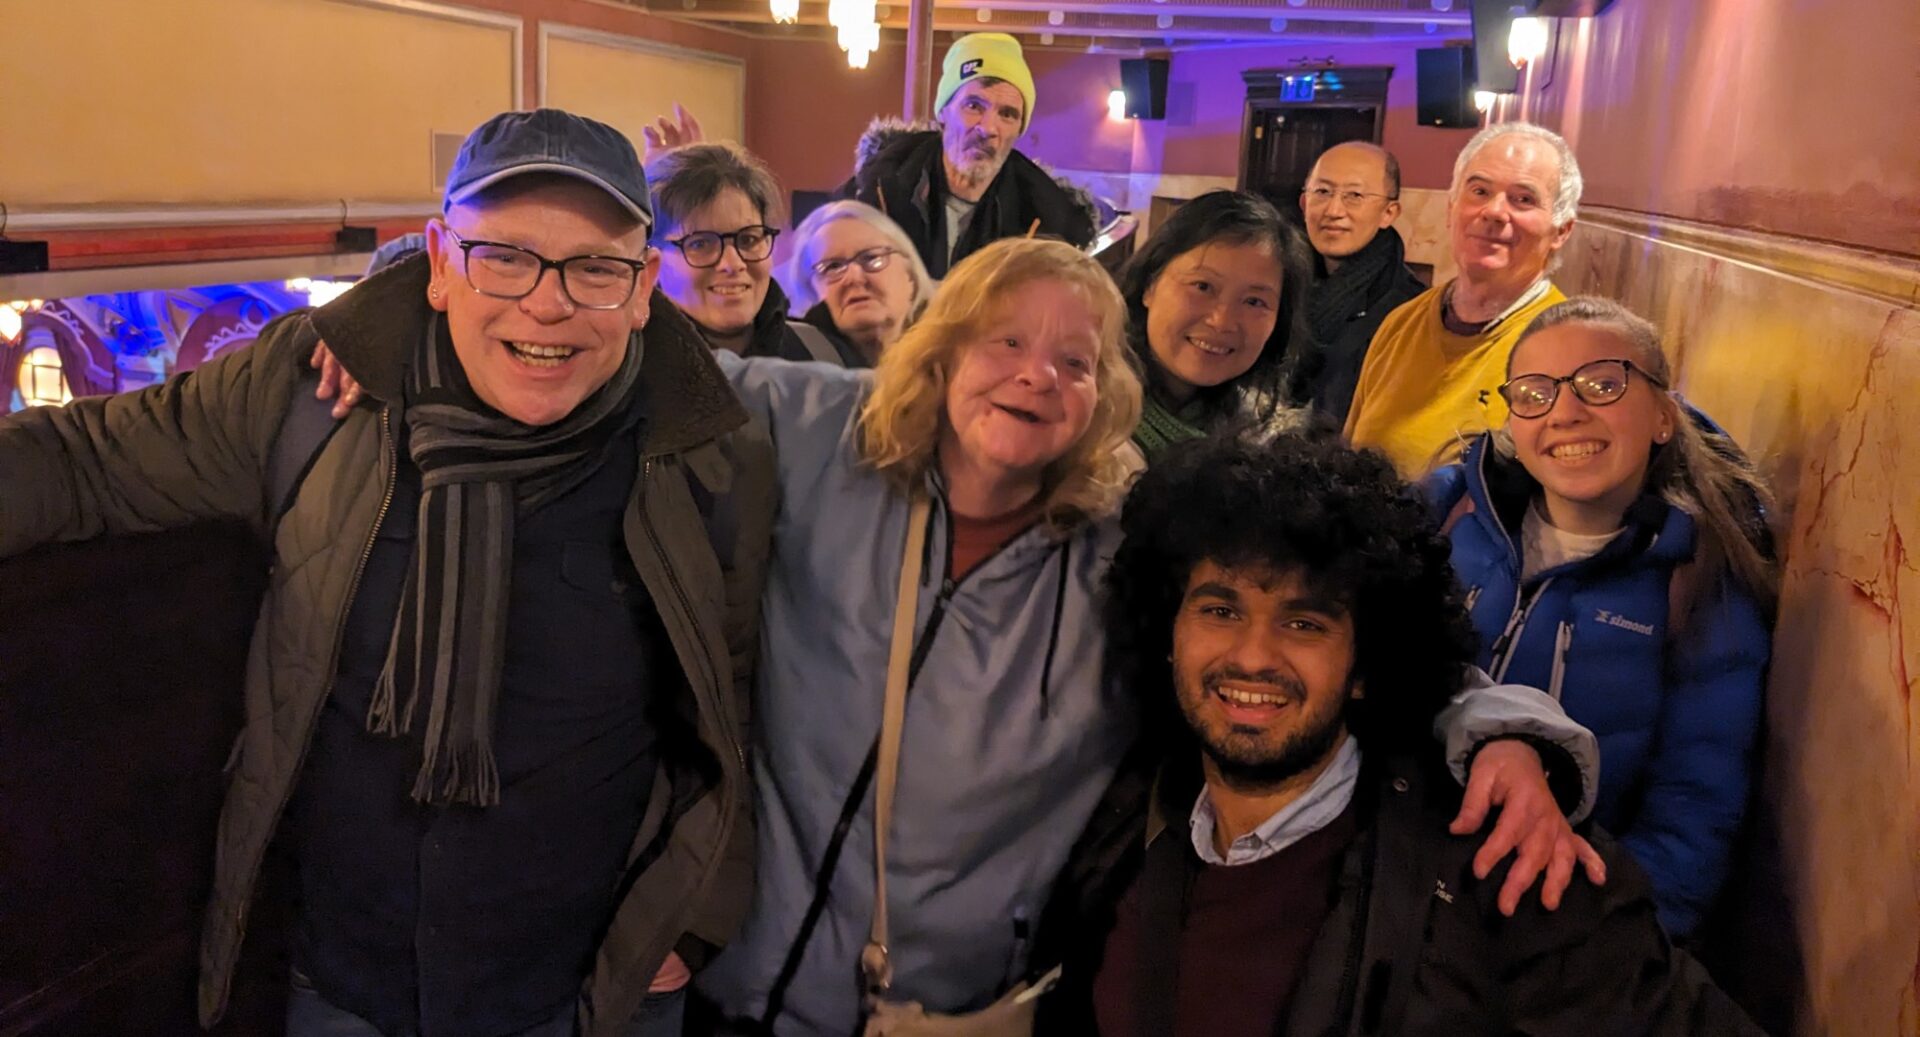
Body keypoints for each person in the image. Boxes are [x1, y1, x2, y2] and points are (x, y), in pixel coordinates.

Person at [687, 237, 1606, 1035]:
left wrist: (1506, 732)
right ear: (940, 352)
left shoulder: (1125, 547)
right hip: (726, 981)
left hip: (948, 1013)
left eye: (1076, 361)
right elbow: (629, 364)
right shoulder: (814, 435)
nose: (1037, 375)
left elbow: (1344, 621)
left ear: (1104, 396)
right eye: (1005, 340)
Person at [0, 108, 771, 1037]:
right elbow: (86, 462)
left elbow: (731, 695)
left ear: (644, 287)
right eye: (507, 257)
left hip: (587, 991)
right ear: (441, 264)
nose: (548, 302)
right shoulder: (311, 392)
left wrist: (693, 916)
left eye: (595, 266)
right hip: (342, 982)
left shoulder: (707, 451)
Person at [1037, 432, 1764, 1035]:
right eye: (1220, 611)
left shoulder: (1506, 869)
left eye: (1303, 622)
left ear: (1366, 662)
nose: (1253, 654)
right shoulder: (1128, 816)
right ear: (1168, 632)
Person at [1425, 296, 1776, 938]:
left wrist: (1600, 936)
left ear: (1663, 416)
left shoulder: (1695, 583)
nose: (1565, 411)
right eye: (1534, 393)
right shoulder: (1446, 513)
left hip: (1553, 920)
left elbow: (1694, 811)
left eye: (1602, 384)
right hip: (1401, 880)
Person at [1344, 121, 1581, 477]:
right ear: (1451, 208)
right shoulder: (1400, 323)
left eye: (1523, 199)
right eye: (1480, 191)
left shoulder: (1568, 350)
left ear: (1561, 230)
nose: (1494, 212)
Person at [835, 32, 1097, 277]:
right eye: (973, 105)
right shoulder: (876, 188)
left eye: (1007, 114)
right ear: (943, 113)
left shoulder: (1047, 225)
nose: (987, 128)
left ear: (1019, 130)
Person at [1117, 190, 1318, 463]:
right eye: (1202, 286)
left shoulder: (1267, 446)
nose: (1222, 321)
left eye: (1254, 301)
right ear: (1149, 285)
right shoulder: (1081, 420)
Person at [645, 140, 816, 360]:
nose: (733, 264)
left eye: (748, 239)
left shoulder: (821, 354)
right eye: (700, 244)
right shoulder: (617, 378)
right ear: (652, 262)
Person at [1296, 141, 1427, 423]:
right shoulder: (1278, 282)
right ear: (1304, 203)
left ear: (1388, 213)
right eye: (1322, 192)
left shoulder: (1410, 310)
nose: (1333, 210)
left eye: (1354, 195)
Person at [781, 199, 935, 367]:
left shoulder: (956, 351)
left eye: (871, 258)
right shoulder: (797, 372)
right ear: (813, 292)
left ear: (910, 275)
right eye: (833, 267)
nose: (853, 278)